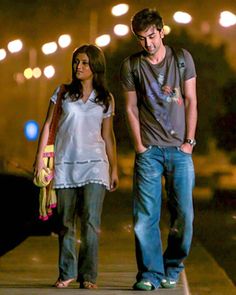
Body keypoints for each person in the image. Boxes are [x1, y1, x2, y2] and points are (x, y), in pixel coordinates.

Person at [120, 8, 197, 291]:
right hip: (149, 152)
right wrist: (140, 146)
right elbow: (129, 108)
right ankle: (150, 274)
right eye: (141, 38)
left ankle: (173, 266)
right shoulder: (131, 66)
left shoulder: (181, 59)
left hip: (180, 150)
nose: (148, 44)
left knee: (184, 215)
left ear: (161, 32)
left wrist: (189, 142)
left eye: (152, 36)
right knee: (144, 218)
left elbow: (191, 100)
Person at [34, 44, 119, 289]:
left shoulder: (105, 98)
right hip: (65, 163)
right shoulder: (62, 92)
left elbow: (108, 135)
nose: (78, 67)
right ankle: (66, 272)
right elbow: (48, 124)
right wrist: (40, 158)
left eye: (84, 62)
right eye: (76, 62)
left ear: (95, 66)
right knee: (65, 221)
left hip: (95, 164)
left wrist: (113, 168)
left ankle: (88, 276)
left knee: (91, 221)